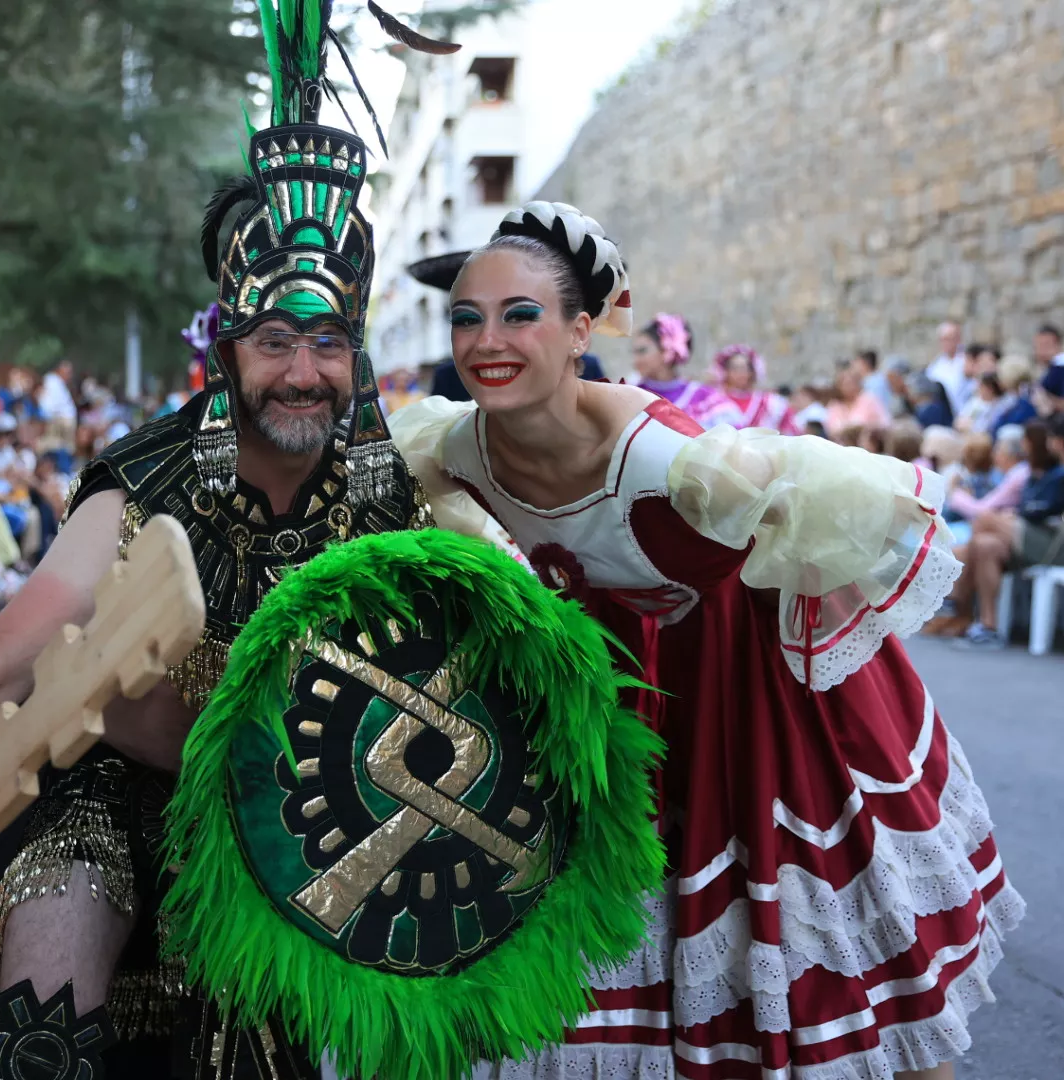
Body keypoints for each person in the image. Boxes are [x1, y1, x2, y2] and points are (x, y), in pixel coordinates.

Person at [0, 9, 487, 1074]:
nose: (303, 372)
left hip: (285, 824)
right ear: (229, 348)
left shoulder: (392, 495)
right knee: (54, 962)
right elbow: (4, 656)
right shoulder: (144, 482)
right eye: (276, 340)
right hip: (103, 793)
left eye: (328, 343)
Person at [392, 201, 1022, 1080]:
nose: (486, 339)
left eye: (519, 314)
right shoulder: (449, 445)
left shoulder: (674, 461)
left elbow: (840, 523)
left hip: (743, 689)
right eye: (468, 317)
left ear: (582, 331)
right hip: (600, 688)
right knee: (598, 954)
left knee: (826, 968)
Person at [950, 416, 1064, 649]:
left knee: (986, 520)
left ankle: (957, 599)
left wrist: (1017, 515)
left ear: (1059, 442)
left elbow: (1053, 511)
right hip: (1051, 542)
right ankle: (988, 626)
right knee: (985, 544)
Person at [627, 313, 719, 423]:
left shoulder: (705, 399)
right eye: (634, 352)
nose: (635, 361)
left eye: (642, 351)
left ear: (666, 350)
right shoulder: (629, 395)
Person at [693, 343, 799, 432]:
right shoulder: (712, 401)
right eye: (735, 368)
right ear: (725, 371)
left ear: (753, 372)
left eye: (745, 368)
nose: (740, 373)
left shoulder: (770, 403)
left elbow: (790, 430)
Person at [823, 362, 891, 432]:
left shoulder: (869, 399)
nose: (848, 387)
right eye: (844, 384)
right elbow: (829, 429)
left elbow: (885, 422)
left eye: (850, 383)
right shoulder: (834, 406)